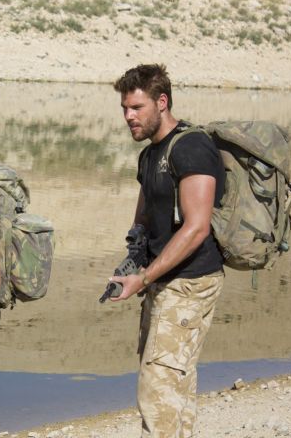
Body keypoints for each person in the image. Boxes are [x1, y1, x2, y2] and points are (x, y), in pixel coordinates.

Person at [108, 64, 226, 438]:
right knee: (174, 385)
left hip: (190, 283)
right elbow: (144, 216)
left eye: (136, 107)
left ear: (162, 102)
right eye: (125, 108)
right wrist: (132, 261)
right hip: (162, 281)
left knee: (157, 390)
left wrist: (143, 278)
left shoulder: (191, 146)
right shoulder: (149, 155)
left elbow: (196, 227)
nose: (129, 116)